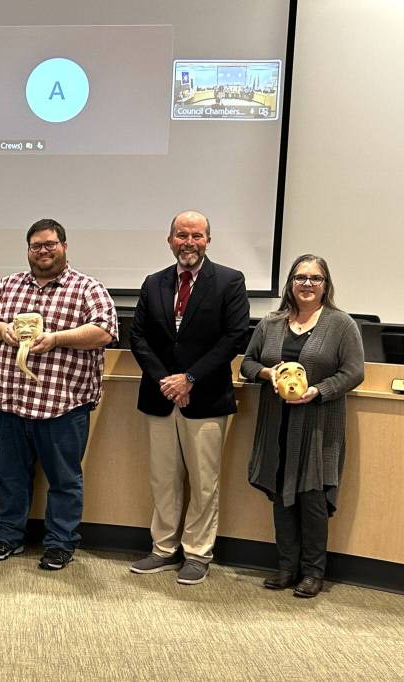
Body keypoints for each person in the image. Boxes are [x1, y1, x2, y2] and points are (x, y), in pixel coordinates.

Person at [0, 218, 117, 571]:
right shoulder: (9, 285)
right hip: (11, 402)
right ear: (28, 251)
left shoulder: (87, 287)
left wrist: (56, 338)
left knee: (65, 480)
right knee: (10, 476)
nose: (43, 251)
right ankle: (8, 536)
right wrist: (3, 329)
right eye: (36, 246)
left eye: (50, 244)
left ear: (64, 247)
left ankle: (60, 543)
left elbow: (104, 331)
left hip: (63, 407)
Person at [128, 210, 249, 585]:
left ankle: (197, 553)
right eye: (182, 235)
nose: (189, 242)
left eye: (197, 236)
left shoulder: (229, 281)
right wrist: (167, 380)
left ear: (208, 240)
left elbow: (235, 337)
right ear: (170, 240)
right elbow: (138, 338)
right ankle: (163, 548)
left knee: (203, 481)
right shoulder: (154, 283)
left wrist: (191, 378)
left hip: (206, 398)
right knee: (163, 479)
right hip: (161, 395)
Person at [240, 255, 363, 598]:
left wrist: (317, 392)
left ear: (326, 285)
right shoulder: (271, 322)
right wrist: (267, 373)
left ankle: (313, 571)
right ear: (290, 284)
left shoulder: (341, 324)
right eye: (300, 278)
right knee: (281, 497)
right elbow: (247, 364)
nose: (307, 284)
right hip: (277, 423)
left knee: (311, 499)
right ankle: (286, 566)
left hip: (318, 426)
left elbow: (354, 372)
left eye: (315, 278)